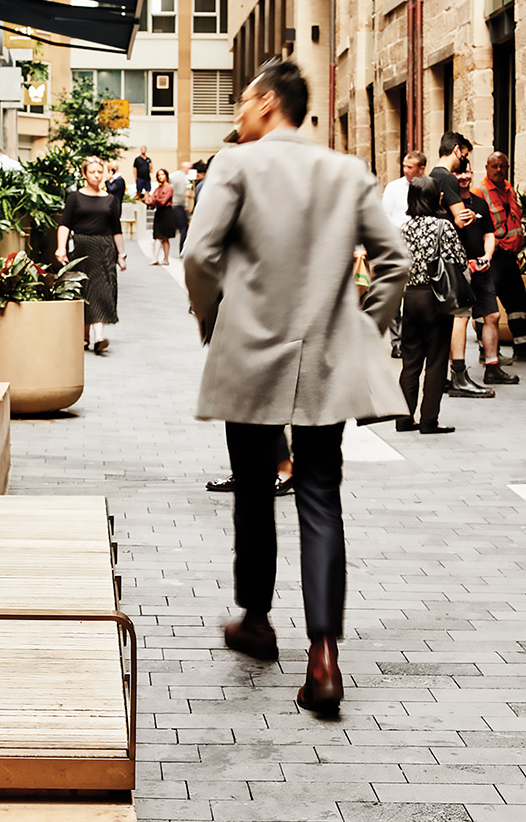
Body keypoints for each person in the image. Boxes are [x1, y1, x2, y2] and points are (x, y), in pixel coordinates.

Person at [184, 59, 408, 713]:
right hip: (325, 358)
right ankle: (324, 656)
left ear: (266, 103)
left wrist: (210, 317)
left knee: (254, 491)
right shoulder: (347, 171)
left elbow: (198, 255)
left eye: (242, 102)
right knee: (320, 496)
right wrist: (362, 328)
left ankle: (257, 620)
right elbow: (394, 261)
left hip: (251, 352)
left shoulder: (235, 165)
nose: (237, 115)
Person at [397, 176, 468, 435]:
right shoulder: (443, 226)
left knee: (410, 361)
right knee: (436, 361)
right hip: (436, 298)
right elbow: (460, 260)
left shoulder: (404, 228)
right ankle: (429, 421)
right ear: (435, 198)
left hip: (411, 297)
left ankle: (404, 418)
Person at [449, 165, 516, 389]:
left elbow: (489, 234)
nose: (464, 177)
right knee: (460, 319)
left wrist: (487, 256)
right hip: (458, 272)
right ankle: (457, 372)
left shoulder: (479, 203)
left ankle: (492, 367)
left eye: (467, 172)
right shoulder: (447, 204)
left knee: (492, 315)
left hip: (481, 269)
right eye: (458, 173)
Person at [56, 156, 126, 354]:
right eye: (92, 172)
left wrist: (121, 254)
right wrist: (61, 248)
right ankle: (85, 337)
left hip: (105, 248)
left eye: (99, 172)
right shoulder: (75, 198)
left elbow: (116, 229)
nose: (96, 175)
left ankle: (99, 337)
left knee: (101, 289)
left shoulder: (110, 200)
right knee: (84, 289)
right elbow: (65, 224)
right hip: (82, 247)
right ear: (84, 174)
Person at [472, 151, 526, 364]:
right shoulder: (479, 191)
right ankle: (485, 350)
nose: (499, 170)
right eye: (494, 166)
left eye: (502, 166)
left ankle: (522, 347)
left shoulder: (509, 189)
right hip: (492, 257)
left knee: (518, 303)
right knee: (487, 304)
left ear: (508, 168)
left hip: (510, 257)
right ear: (486, 168)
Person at [382, 151, 427, 357]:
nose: (405, 170)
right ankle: (397, 342)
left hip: (421, 251)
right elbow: (384, 216)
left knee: (417, 297)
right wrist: (404, 226)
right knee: (395, 298)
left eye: (410, 167)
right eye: (404, 166)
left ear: (421, 169)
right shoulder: (393, 188)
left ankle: (415, 340)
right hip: (398, 249)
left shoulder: (428, 187)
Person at [428, 132, 476, 231]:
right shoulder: (448, 178)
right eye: (465, 155)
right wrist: (472, 216)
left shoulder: (432, 175)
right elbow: (461, 221)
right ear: (457, 150)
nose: (465, 160)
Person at [145, 168, 176, 265]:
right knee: (157, 237)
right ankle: (155, 258)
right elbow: (149, 201)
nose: (160, 177)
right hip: (159, 213)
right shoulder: (157, 189)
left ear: (166, 176)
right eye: (158, 175)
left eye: (162, 174)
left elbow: (163, 201)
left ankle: (166, 259)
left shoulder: (169, 187)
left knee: (165, 237)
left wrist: (155, 199)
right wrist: (154, 199)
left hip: (167, 213)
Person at [169, 161, 192, 254]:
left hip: (174, 204)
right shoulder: (182, 177)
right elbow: (183, 193)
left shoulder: (174, 175)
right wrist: (185, 204)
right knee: (183, 228)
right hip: (178, 204)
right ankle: (182, 249)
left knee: (179, 227)